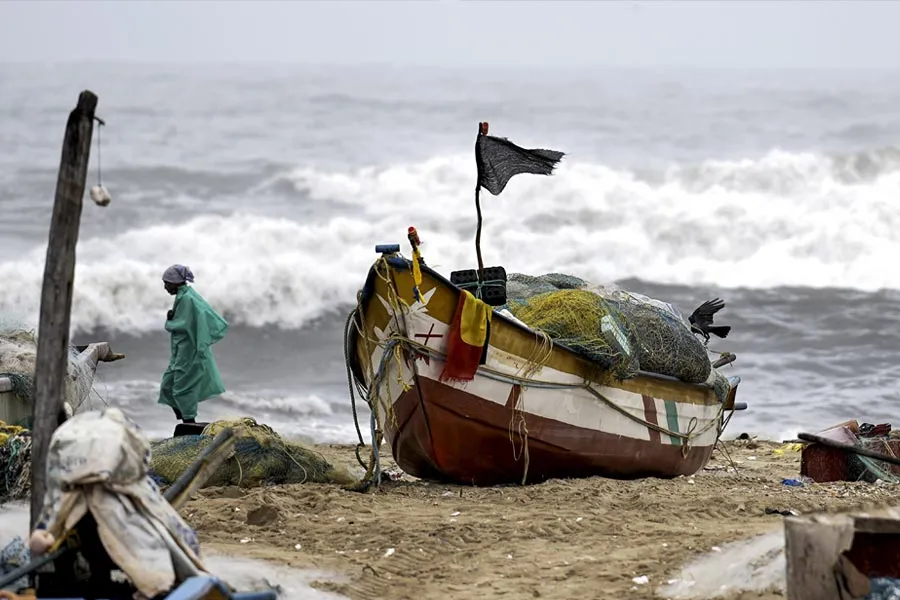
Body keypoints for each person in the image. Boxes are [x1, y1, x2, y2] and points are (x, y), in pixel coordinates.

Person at [158, 264, 229, 423]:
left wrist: (169, 322)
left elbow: (183, 324)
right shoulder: (184, 296)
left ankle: (189, 422)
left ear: (176, 282)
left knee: (183, 390)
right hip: (179, 353)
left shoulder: (187, 299)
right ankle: (185, 418)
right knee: (167, 388)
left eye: (167, 283)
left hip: (188, 354)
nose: (165, 287)